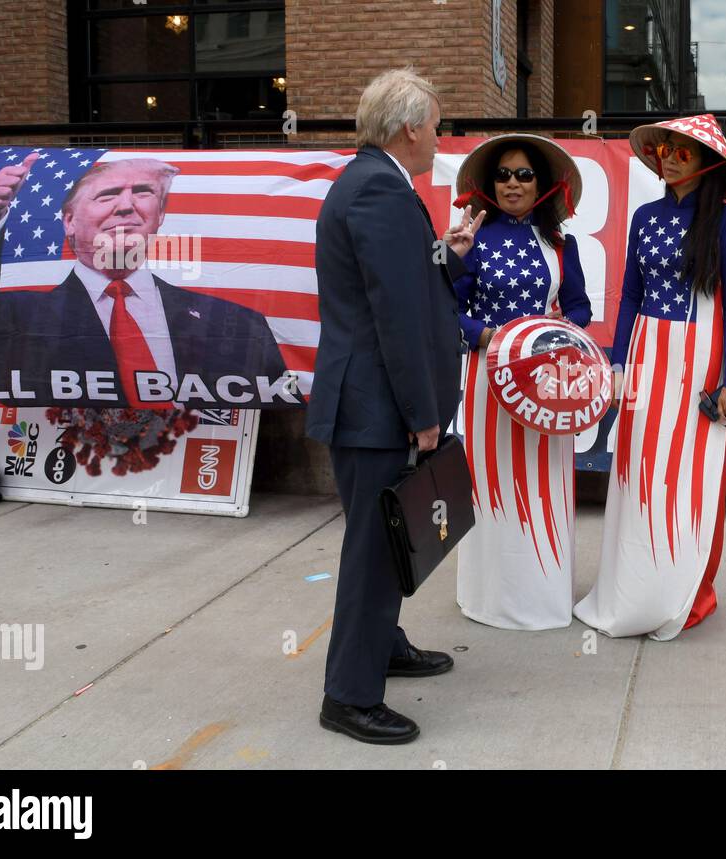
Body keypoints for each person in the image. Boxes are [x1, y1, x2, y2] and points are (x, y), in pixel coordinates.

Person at [306, 68, 483, 744]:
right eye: (436, 125)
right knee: (374, 551)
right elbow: (396, 318)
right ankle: (348, 696)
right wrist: (423, 411)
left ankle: (381, 644)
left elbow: (409, 281)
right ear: (411, 128)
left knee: (384, 542)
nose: (440, 138)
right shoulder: (380, 189)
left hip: (372, 402)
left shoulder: (373, 183)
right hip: (376, 405)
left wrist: (450, 255)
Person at [574, 114, 726, 641]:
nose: (669, 157)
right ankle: (633, 586)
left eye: (682, 151)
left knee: (688, 479)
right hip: (646, 356)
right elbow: (629, 296)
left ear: (708, 161)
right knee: (639, 472)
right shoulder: (645, 217)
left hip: (698, 361)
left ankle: (684, 592)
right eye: (664, 149)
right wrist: (617, 362)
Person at [0, 156, 288, 407]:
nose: (126, 206)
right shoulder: (19, 317)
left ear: (160, 216)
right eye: (107, 195)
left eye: (142, 192)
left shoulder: (240, 324)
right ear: (69, 221)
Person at [450, 133, 592, 630]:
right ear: (490, 183)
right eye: (504, 174)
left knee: (543, 483)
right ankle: (489, 596)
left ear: (542, 185)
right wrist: (484, 335)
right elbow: (449, 309)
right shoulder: (470, 240)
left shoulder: (559, 243)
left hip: (546, 385)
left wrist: (562, 336)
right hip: (488, 383)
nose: (513, 183)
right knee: (490, 486)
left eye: (524, 174)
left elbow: (578, 306)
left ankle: (541, 593)